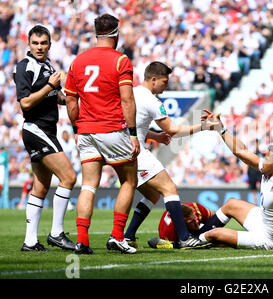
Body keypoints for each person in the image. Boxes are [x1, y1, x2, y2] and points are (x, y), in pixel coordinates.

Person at [64, 14, 140, 254]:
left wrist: (77, 128)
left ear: (96, 33)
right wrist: (134, 133)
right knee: (129, 180)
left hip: (86, 131)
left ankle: (82, 241)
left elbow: (70, 100)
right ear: (116, 33)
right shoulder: (121, 61)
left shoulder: (78, 61)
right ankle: (117, 236)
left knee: (88, 186)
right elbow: (127, 99)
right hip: (113, 129)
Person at [123, 61, 211, 250]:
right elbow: (173, 129)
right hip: (135, 151)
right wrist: (203, 126)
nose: (166, 86)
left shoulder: (132, 93)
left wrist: (155, 136)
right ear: (153, 80)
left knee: (153, 194)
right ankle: (185, 238)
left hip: (122, 148)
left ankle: (129, 236)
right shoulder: (151, 101)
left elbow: (132, 124)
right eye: (164, 82)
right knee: (170, 188)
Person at [195, 111, 273, 250]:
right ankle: (197, 237)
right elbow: (241, 151)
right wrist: (221, 129)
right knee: (231, 204)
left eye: (266, 158)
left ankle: (195, 241)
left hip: (268, 239)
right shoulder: (269, 170)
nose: (262, 160)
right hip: (261, 220)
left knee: (215, 234)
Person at [13, 25, 77, 252]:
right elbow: (26, 102)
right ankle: (57, 233)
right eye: (35, 43)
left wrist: (68, 96)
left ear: (50, 45)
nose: (40, 47)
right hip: (36, 129)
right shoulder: (25, 66)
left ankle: (30, 242)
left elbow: (53, 97)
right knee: (68, 177)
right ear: (28, 45)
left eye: (44, 43)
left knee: (40, 187)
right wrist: (50, 85)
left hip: (46, 130)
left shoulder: (48, 65)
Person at [148, 202, 214, 249]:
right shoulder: (169, 232)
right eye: (192, 221)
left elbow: (214, 219)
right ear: (182, 224)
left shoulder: (196, 208)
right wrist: (175, 245)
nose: (197, 222)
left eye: (195, 218)